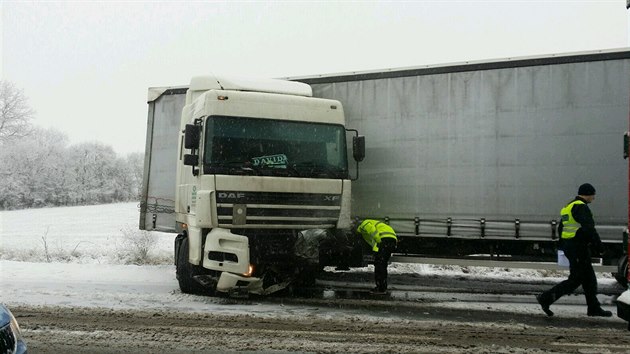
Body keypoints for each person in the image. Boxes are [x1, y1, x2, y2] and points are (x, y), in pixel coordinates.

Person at [536, 183, 612, 317]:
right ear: (587, 194)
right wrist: (599, 247)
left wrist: (563, 244)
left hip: (571, 247)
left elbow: (561, 228)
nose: (593, 198)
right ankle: (546, 298)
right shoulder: (581, 207)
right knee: (581, 279)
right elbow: (589, 229)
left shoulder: (568, 206)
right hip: (578, 248)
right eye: (593, 195)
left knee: (584, 279)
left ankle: (593, 308)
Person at [356, 219, 398, 295]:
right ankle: (382, 287)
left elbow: (373, 231)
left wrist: (378, 240)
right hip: (392, 239)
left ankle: (381, 288)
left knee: (380, 265)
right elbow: (371, 242)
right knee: (382, 264)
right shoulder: (371, 224)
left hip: (384, 239)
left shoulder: (364, 224)